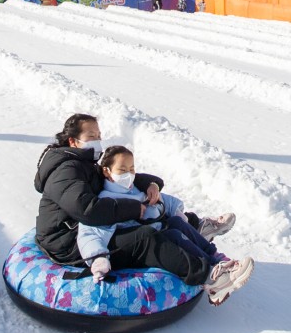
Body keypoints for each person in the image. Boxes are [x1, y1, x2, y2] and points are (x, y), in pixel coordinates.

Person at [34, 113, 248, 305]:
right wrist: (136, 209)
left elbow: (112, 178)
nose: (98, 141)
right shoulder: (65, 170)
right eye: (91, 136)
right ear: (73, 141)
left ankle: (195, 228)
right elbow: (87, 210)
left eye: (99, 135)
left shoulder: (82, 161)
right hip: (69, 241)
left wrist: (150, 185)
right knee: (145, 236)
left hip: (87, 226)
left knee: (165, 220)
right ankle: (211, 278)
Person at [78, 145, 253, 304]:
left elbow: (162, 199)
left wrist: (176, 210)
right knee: (164, 235)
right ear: (107, 171)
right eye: (122, 169)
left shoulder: (135, 188)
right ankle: (211, 277)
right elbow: (90, 232)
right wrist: (98, 258)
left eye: (132, 169)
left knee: (176, 225)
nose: (128, 174)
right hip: (134, 245)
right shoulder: (105, 200)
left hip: (154, 230)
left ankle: (217, 261)